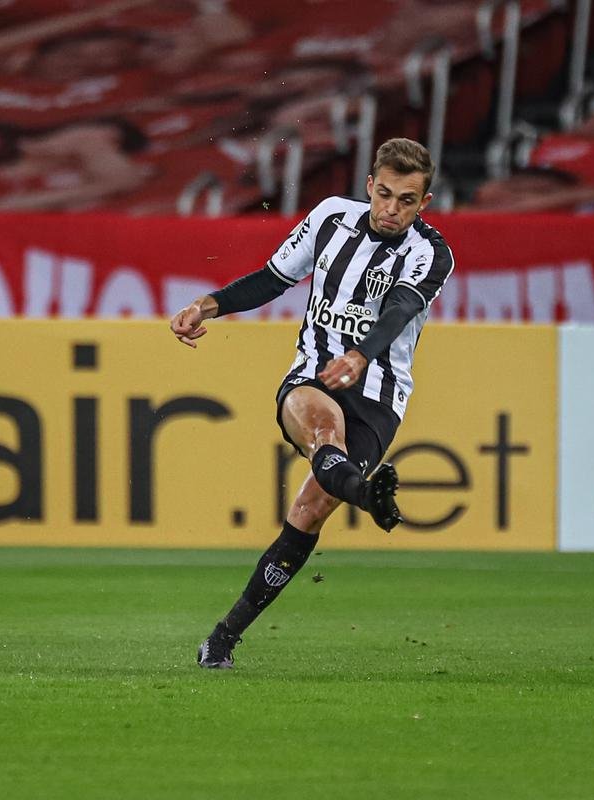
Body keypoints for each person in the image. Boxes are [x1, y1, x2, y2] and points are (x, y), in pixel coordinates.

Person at [168, 137, 454, 669]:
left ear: (424, 203)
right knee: (324, 431)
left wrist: (362, 356)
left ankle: (223, 638)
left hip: (378, 397)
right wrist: (208, 305)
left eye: (407, 200)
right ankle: (367, 497)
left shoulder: (431, 253)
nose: (392, 209)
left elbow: (399, 309)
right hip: (313, 376)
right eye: (385, 194)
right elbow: (273, 279)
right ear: (369, 186)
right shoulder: (329, 219)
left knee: (308, 511)